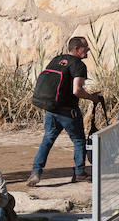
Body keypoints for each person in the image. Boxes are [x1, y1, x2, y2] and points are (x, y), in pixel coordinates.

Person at [27, 37, 102, 187]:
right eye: (85, 47)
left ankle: (36, 172)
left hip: (51, 109)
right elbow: (77, 90)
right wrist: (92, 98)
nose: (88, 50)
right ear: (76, 49)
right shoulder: (78, 65)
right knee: (79, 140)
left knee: (47, 140)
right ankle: (80, 172)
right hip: (68, 112)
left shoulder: (57, 60)